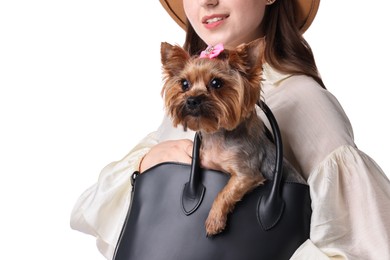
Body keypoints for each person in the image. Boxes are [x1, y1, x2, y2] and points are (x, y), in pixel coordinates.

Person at [70, 0, 390, 259]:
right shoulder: (186, 104)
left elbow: (365, 242)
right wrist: (149, 161)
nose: (208, 2)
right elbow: (112, 215)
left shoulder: (304, 100)